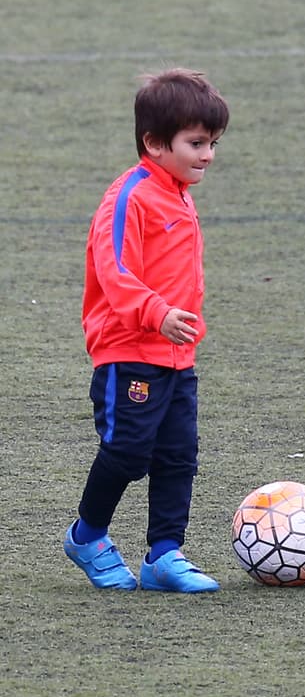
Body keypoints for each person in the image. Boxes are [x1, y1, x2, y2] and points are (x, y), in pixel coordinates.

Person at [64, 68, 229, 593]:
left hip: (177, 356)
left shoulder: (178, 191)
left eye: (213, 143)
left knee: (178, 455)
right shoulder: (129, 197)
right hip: (129, 349)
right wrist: (158, 314)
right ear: (154, 143)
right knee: (128, 452)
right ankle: (87, 536)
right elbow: (115, 272)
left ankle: (164, 554)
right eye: (196, 143)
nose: (207, 155)